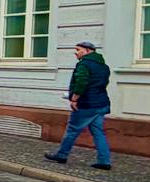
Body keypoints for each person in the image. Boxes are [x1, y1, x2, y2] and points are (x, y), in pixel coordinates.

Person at [45, 40, 112, 169]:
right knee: (98, 132)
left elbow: (81, 82)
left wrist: (74, 99)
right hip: (101, 103)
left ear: (88, 51)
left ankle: (62, 155)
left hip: (86, 104)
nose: (75, 53)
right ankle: (104, 161)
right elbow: (103, 84)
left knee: (72, 130)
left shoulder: (84, 64)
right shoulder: (104, 66)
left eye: (78, 50)